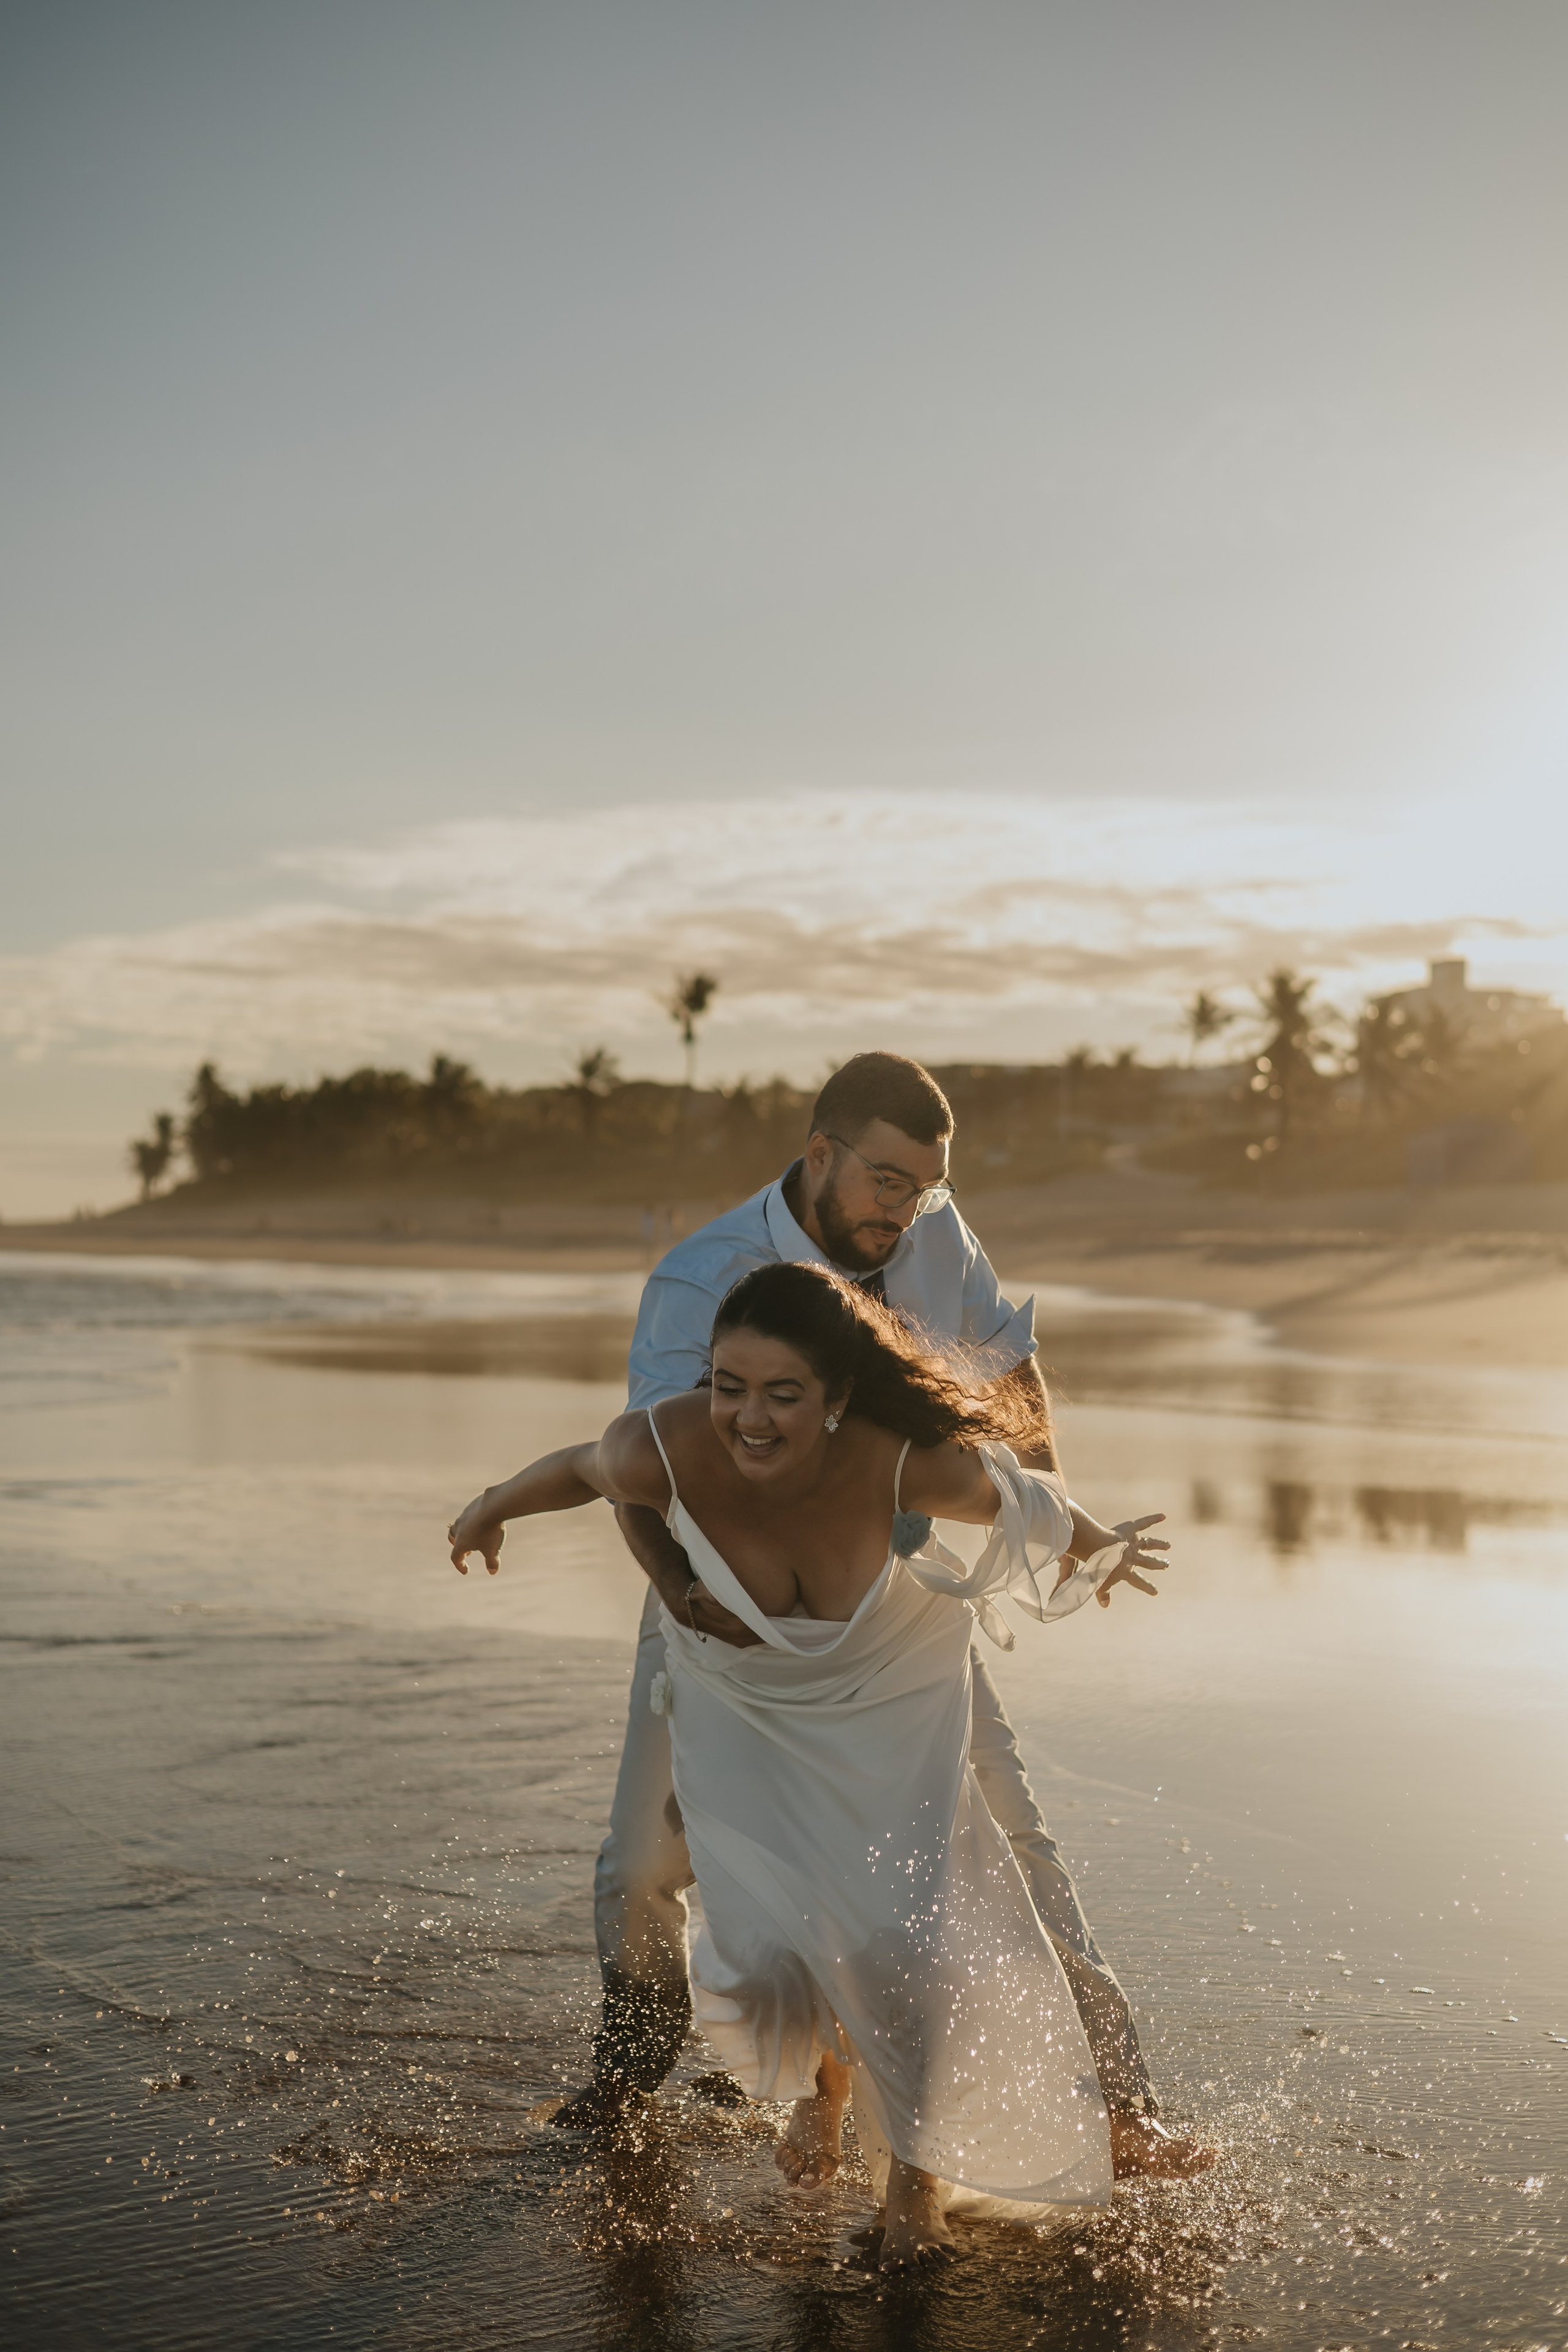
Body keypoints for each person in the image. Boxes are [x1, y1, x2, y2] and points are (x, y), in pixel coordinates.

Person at [456, 1049, 1211, 2179]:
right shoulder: (702, 1275)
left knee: (1005, 1834)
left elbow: (1010, 1365)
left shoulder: (934, 1232)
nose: (909, 1210)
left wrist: (1049, 1517)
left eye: (928, 1185)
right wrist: (682, 1597)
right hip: (723, 1613)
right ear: (822, 1157)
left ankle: (1117, 2104)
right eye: (889, 1182)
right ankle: (630, 2074)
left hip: (890, 1607)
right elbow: (638, 1464)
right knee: (644, 1864)